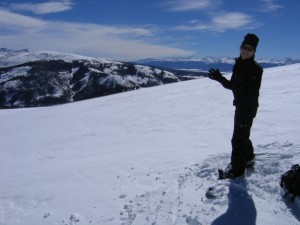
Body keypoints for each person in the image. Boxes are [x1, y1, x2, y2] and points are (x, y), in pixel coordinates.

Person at [208, 33, 263, 179]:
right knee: (242, 136)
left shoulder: (256, 69)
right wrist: (219, 78)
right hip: (240, 107)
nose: (245, 51)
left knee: (237, 140)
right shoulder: (238, 65)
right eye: (243, 47)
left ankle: (237, 171)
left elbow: (251, 93)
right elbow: (233, 86)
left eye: (249, 49)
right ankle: (249, 158)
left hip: (247, 109)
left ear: (254, 52)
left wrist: (246, 112)